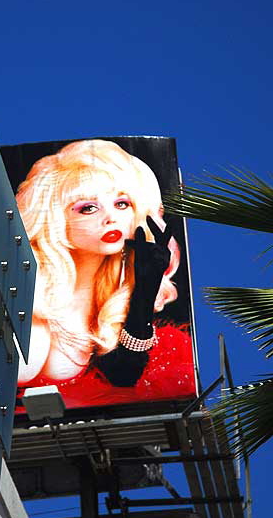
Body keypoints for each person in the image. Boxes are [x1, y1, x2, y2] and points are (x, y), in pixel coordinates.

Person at [15, 139, 195, 410]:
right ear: (54, 218)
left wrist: (144, 293)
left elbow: (124, 376)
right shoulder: (33, 296)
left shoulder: (117, 303)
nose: (110, 217)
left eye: (122, 203)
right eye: (88, 207)